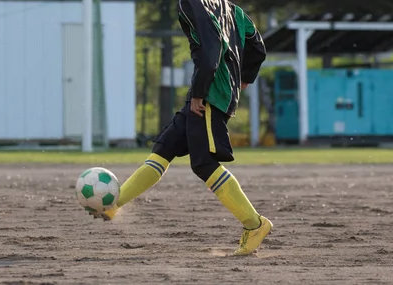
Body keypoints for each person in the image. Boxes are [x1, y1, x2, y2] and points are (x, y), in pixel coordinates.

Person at [93, 0, 272, 256]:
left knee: (204, 164)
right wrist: (243, 78)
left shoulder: (192, 2)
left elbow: (210, 52)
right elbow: (258, 46)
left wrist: (200, 92)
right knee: (164, 148)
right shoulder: (231, 8)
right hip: (208, 91)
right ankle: (113, 205)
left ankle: (254, 224)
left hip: (210, 94)